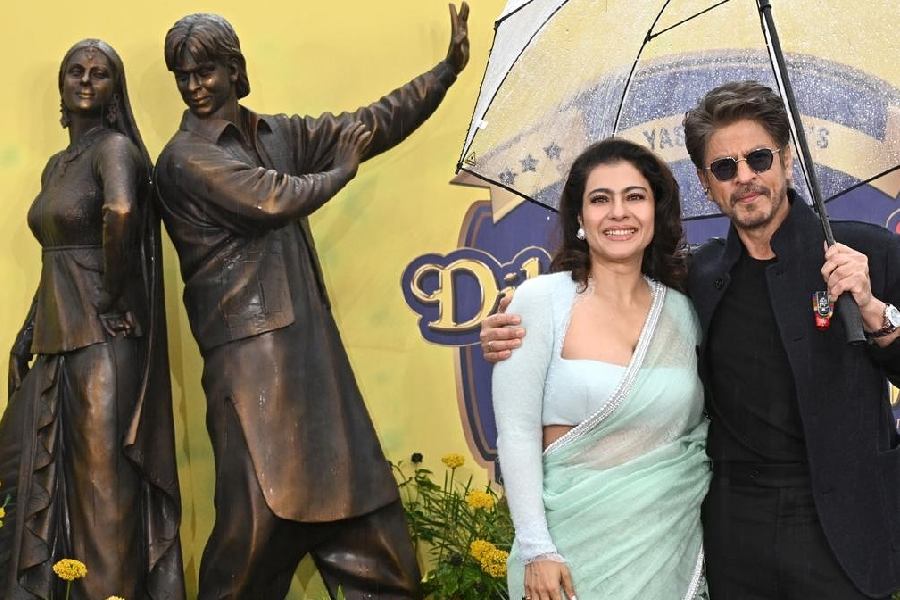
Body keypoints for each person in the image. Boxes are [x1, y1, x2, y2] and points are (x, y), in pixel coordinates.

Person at [482, 81, 900, 599]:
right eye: (724, 168)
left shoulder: (868, 253)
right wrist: (511, 324)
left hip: (844, 527)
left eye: (759, 158)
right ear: (706, 183)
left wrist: (877, 311)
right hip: (732, 530)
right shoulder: (696, 280)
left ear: (787, 160)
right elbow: (606, 296)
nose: (744, 177)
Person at [153, 8, 469, 599]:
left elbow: (368, 124)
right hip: (250, 368)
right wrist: (342, 171)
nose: (195, 86)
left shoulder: (276, 135)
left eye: (206, 72)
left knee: (363, 512)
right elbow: (273, 199)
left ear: (234, 69)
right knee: (255, 525)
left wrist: (444, 72)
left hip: (310, 359)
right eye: (182, 76)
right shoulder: (183, 160)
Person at [0, 39, 184, 600]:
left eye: (99, 73)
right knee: (21, 476)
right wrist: (29, 331)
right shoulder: (58, 165)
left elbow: (123, 212)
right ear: (60, 85)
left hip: (103, 345)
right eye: (75, 71)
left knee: (103, 502)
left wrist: (112, 297)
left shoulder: (116, 150)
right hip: (57, 343)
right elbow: (58, 256)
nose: (85, 80)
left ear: (113, 90)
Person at [493, 138, 710, 600]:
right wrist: (536, 549)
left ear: (656, 211)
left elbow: (698, 433)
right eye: (600, 199)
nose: (618, 213)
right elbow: (516, 432)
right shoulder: (539, 301)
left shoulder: (684, 313)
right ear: (579, 217)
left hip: (666, 550)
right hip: (568, 558)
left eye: (634, 196)